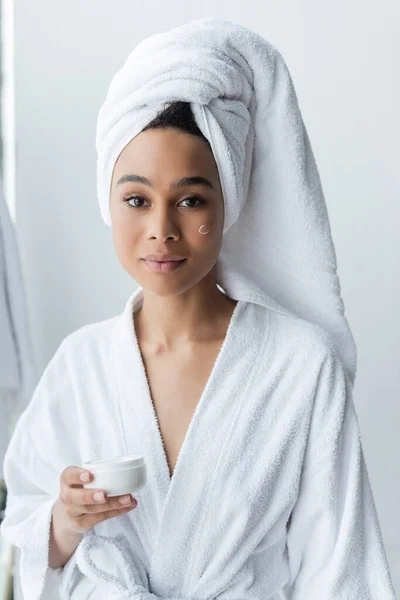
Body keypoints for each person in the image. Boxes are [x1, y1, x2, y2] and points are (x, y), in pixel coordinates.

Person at [1, 18, 396, 600]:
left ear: (229, 200)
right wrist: (64, 522)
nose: (161, 230)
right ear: (109, 202)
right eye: (137, 199)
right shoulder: (79, 365)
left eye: (191, 199)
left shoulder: (302, 365)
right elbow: (19, 545)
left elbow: (342, 572)